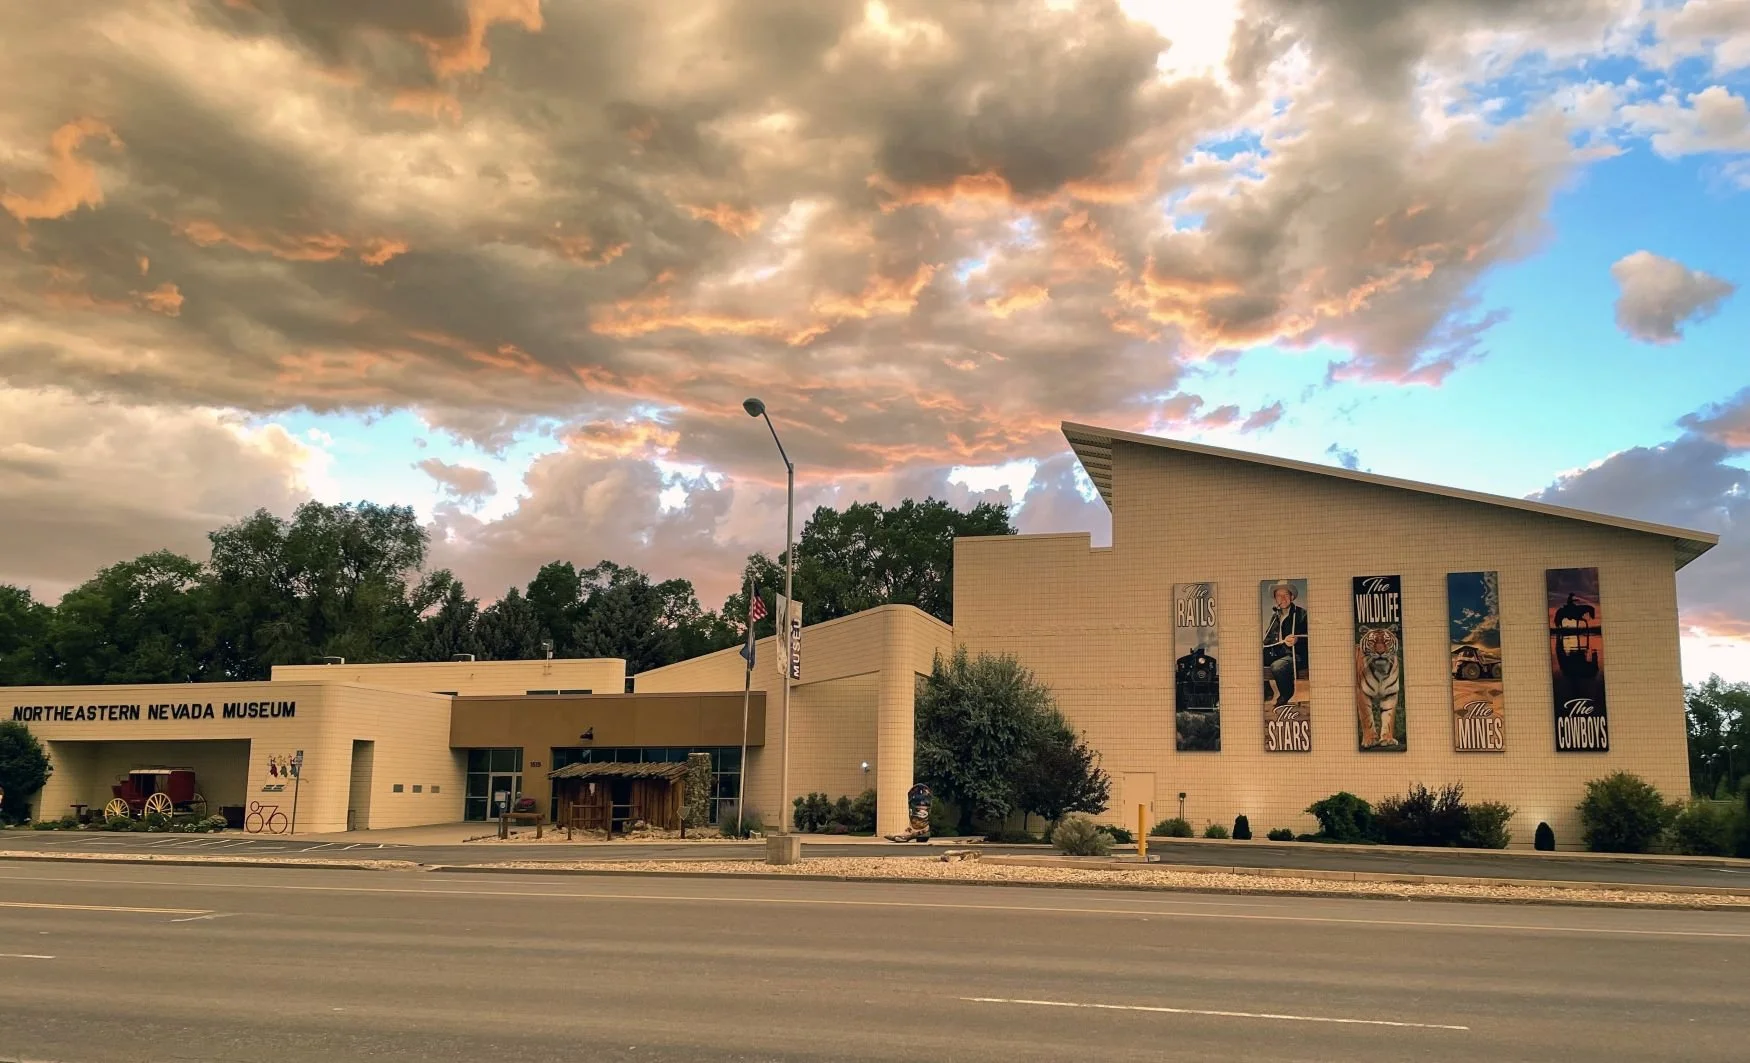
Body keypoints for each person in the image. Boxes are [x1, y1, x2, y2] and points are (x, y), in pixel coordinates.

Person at [1262, 580, 1308, 707]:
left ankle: (1286, 694)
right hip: (1278, 652)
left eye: (1286, 595)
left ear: (1292, 597)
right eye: (1278, 596)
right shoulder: (1275, 617)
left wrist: (1297, 640)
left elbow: (1312, 638)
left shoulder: (1302, 614)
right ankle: (1267, 689)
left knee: (1278, 666)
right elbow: (1268, 639)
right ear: (1275, 599)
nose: (1282, 598)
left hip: (1296, 655)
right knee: (1255, 658)